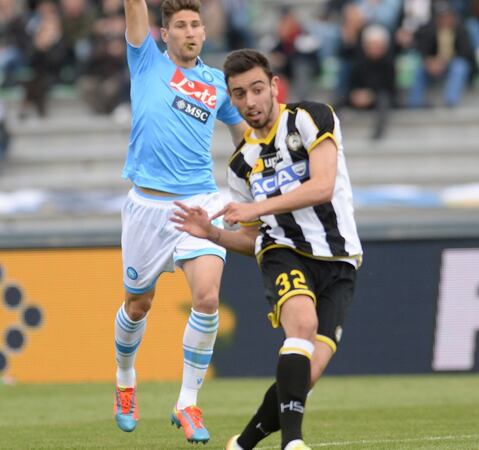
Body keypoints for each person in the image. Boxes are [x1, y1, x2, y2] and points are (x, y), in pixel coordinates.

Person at [171, 48, 363, 450]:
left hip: (339, 258)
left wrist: (257, 208)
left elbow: (323, 186)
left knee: (307, 373)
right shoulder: (241, 164)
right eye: (239, 94)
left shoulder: (311, 118)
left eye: (257, 89)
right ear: (231, 99)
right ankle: (293, 443)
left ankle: (242, 443)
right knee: (301, 325)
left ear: (275, 86)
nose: (250, 101)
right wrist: (213, 235)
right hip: (282, 250)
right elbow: (252, 237)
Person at [113, 0, 246, 444]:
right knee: (138, 305)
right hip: (148, 207)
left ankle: (187, 402)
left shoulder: (218, 84)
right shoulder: (146, 60)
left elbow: (244, 139)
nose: (190, 31)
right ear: (165, 34)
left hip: (199, 203)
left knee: (206, 297)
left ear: (205, 33)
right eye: (181, 25)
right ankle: (125, 380)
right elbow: (134, 6)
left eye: (195, 25)